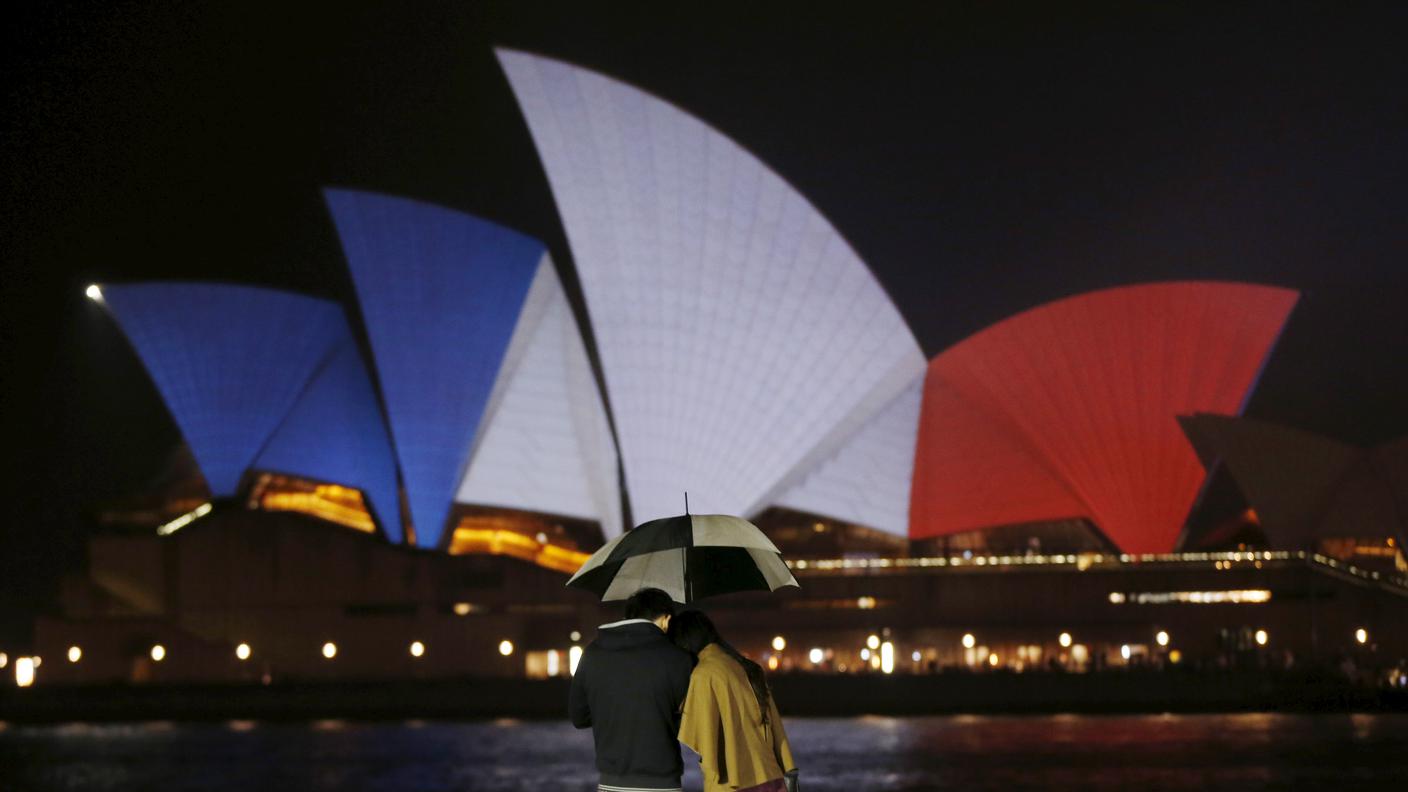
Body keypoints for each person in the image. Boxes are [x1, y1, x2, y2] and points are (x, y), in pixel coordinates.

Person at [570, 587, 694, 792]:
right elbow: (692, 720)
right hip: (662, 784)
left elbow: (579, 718)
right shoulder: (678, 659)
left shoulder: (592, 654)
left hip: (611, 782)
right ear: (666, 620)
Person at [669, 610, 799, 792]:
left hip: (734, 783)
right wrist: (790, 769)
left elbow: (702, 737)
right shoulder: (747, 666)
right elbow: (776, 727)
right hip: (771, 777)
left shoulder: (704, 674)